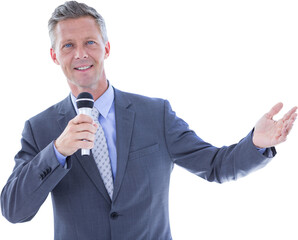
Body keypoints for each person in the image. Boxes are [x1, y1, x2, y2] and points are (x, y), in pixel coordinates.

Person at [1, 1, 297, 240]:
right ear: (54, 55)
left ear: (106, 48)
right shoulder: (39, 129)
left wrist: (257, 144)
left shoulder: (155, 115)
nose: (81, 54)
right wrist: (57, 151)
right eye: (68, 46)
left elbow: (216, 166)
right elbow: (14, 211)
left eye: (90, 42)